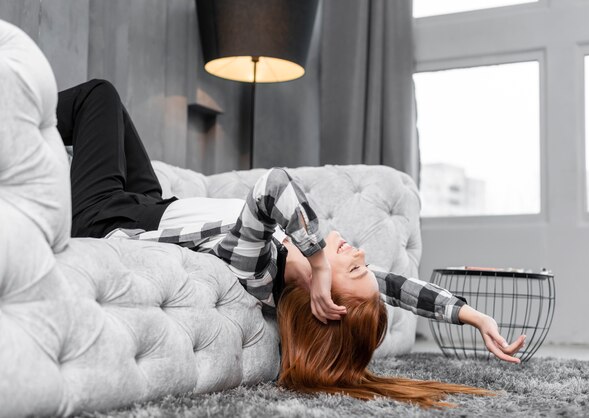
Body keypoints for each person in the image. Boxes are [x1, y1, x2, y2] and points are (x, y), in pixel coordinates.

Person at [57, 79, 525, 408]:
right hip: (153, 203)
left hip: (108, 219)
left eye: (356, 269)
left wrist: (320, 263)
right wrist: (470, 314)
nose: (363, 256)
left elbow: (272, 185)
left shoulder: (259, 269)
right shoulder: (294, 262)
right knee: (113, 112)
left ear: (321, 301)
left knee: (97, 95)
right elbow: (397, 286)